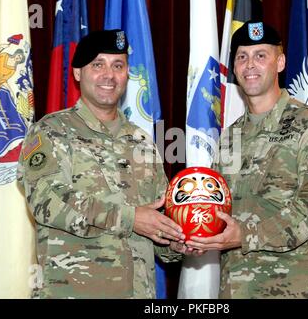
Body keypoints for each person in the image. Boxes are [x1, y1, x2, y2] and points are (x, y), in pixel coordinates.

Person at [17, 29, 192, 298]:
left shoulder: (142, 141)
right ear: (77, 72)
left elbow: (157, 219)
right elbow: (47, 201)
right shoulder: (51, 131)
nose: (109, 75)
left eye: (118, 65)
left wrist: (178, 241)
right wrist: (130, 218)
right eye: (98, 64)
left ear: (126, 74)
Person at [186, 20, 308, 299]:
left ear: (280, 62)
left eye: (261, 55)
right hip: (237, 290)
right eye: (242, 57)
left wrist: (247, 235)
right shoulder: (229, 138)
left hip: (301, 289)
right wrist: (194, 234)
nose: (250, 65)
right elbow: (214, 207)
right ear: (234, 68)